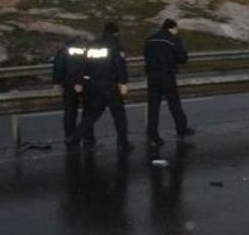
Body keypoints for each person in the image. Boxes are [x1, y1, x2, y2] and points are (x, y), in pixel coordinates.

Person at [67, 23, 133, 151]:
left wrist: (79, 82)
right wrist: (123, 83)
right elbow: (120, 65)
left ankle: (74, 138)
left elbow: (83, 64)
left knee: (92, 114)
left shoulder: (93, 45)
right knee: (119, 114)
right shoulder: (115, 45)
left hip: (93, 85)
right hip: (109, 85)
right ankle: (122, 142)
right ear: (115, 33)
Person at [144, 18, 194, 147]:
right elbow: (182, 58)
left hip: (152, 76)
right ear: (172, 28)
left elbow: (146, 55)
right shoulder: (173, 39)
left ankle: (153, 135)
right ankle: (181, 129)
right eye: (176, 29)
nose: (176, 32)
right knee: (174, 103)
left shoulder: (150, 39)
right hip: (167, 75)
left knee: (153, 107)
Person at [52, 38, 95, 144]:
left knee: (70, 112)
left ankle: (70, 136)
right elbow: (91, 67)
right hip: (86, 84)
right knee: (88, 111)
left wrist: (57, 83)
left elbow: (59, 68)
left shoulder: (63, 52)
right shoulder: (87, 51)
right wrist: (82, 81)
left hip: (69, 85)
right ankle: (88, 136)